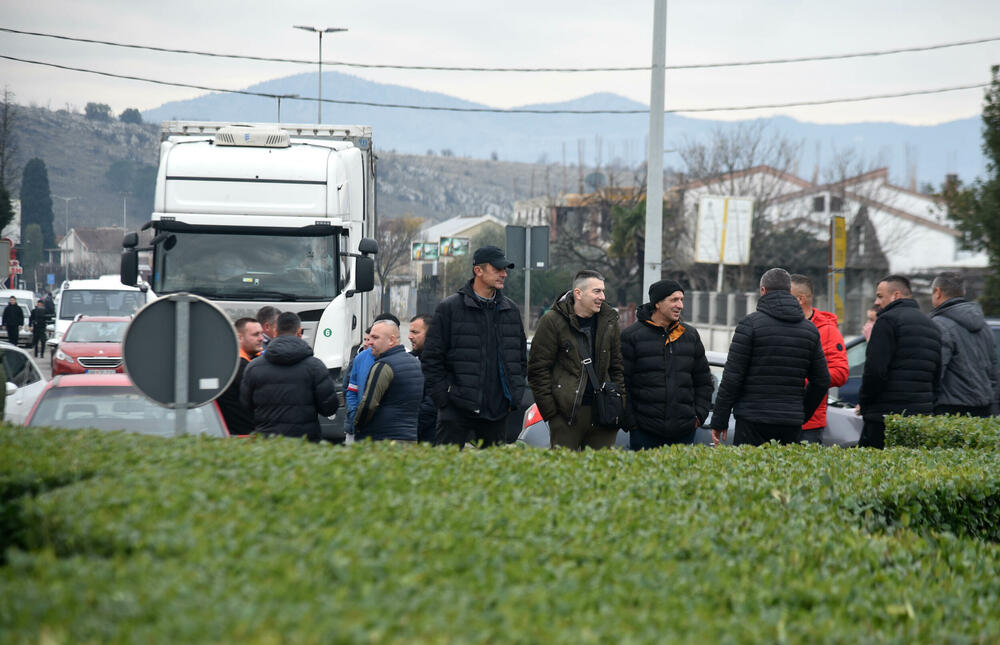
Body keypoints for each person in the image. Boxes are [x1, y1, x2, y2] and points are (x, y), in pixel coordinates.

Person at [422, 245, 528, 448]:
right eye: (498, 269)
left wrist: (512, 397)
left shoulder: (511, 310)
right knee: (446, 471)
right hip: (456, 409)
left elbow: (520, 359)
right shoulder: (450, 308)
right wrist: (444, 400)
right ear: (478, 270)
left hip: (497, 412)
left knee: (494, 476)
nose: (504, 274)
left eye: (505, 270)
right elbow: (431, 358)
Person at [710, 268, 830, 447]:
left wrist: (720, 421)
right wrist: (801, 412)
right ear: (790, 291)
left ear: (763, 291)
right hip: (790, 423)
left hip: (752, 421)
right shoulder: (809, 330)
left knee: (751, 473)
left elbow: (732, 378)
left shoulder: (750, 325)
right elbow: (822, 380)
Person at [528, 270, 625, 450]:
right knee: (563, 473)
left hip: (604, 413)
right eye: (597, 291)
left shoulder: (609, 320)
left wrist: (619, 403)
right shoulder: (552, 321)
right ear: (578, 294)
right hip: (566, 414)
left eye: (603, 291)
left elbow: (617, 367)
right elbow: (537, 369)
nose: (602, 297)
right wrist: (551, 413)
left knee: (601, 475)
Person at [620, 279, 713, 449]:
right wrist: (632, 422)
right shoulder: (631, 336)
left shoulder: (690, 335)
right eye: (674, 300)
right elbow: (622, 384)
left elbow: (704, 382)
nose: (680, 305)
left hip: (685, 433)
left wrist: (698, 416)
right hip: (644, 433)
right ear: (657, 303)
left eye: (681, 300)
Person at [858, 274, 941, 449]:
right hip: (920, 417)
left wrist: (865, 404)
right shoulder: (932, 325)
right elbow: (936, 375)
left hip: (885, 416)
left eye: (880, 296)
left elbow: (875, 371)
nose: (877, 302)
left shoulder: (887, 321)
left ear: (896, 295)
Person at [240, 311, 339, 441]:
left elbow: (245, 406)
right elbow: (329, 408)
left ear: (275, 332)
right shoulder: (315, 367)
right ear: (299, 332)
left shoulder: (254, 367)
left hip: (266, 443)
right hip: (305, 443)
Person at [928, 271, 998, 417]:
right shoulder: (984, 326)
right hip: (984, 406)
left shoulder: (939, 325)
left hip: (949, 409)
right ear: (963, 292)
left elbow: (936, 370)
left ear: (937, 292)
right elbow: (993, 368)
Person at [790, 274, 850, 443]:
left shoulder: (827, 330)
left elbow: (840, 372)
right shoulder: (779, 324)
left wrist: (806, 379)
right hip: (777, 417)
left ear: (800, 299)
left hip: (808, 424)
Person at [353, 320, 424, 442]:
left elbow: (368, 405)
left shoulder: (383, 365)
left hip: (382, 440)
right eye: (369, 338)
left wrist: (357, 426)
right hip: (409, 438)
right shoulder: (415, 363)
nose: (370, 342)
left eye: (375, 338)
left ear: (391, 340)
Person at [346, 313, 401, 436]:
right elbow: (351, 390)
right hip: (362, 429)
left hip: (390, 432)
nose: (370, 342)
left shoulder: (406, 358)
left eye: (376, 337)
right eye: (371, 336)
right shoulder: (360, 358)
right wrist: (355, 417)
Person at [217, 317, 264, 435]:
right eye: (255, 335)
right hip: (243, 436)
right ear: (239, 337)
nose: (261, 338)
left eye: (262, 334)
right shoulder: (241, 367)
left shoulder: (229, 361)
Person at [408, 313, 438, 443]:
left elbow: (431, 404)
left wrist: (411, 428)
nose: (409, 337)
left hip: (430, 437)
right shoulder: (410, 359)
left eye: (415, 332)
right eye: (410, 332)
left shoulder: (438, 363)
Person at [342, 326, 373, 438]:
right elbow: (347, 389)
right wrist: (353, 415)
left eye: (369, 340)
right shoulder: (357, 359)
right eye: (365, 339)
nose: (366, 343)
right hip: (353, 424)